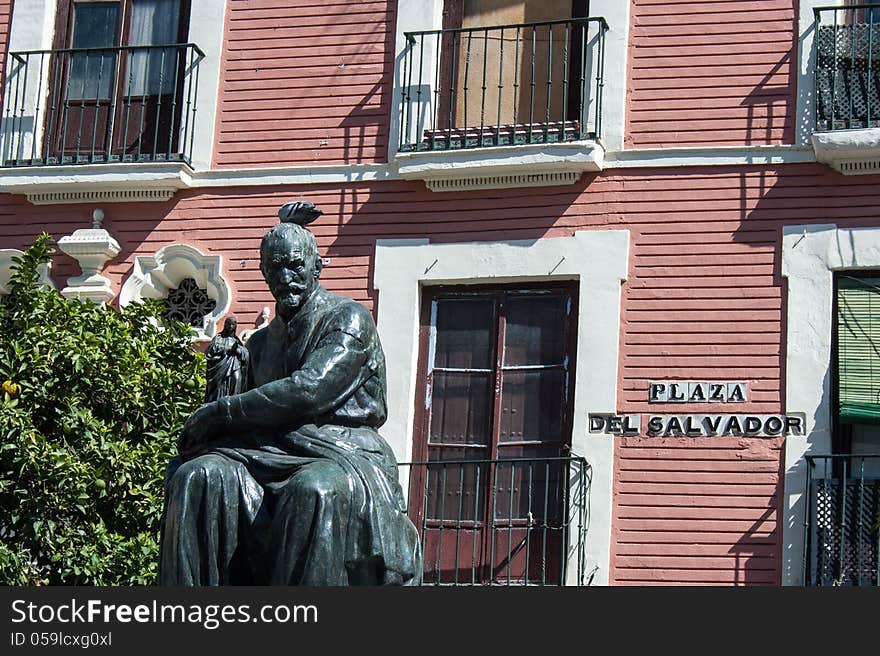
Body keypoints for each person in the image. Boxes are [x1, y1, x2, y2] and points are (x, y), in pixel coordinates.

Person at [159, 202, 422, 586]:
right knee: (199, 476)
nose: (285, 277)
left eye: (295, 265)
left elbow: (310, 389)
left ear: (316, 267)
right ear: (265, 272)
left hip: (340, 448)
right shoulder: (262, 342)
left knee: (315, 490)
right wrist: (222, 387)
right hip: (268, 450)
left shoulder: (348, 318)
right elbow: (248, 408)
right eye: (275, 268)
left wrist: (220, 413)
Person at [203, 316, 249, 402]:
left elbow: (245, 354)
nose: (230, 326)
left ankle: (233, 403)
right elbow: (211, 350)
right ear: (225, 325)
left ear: (235, 326)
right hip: (220, 366)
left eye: (232, 324)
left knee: (236, 378)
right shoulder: (219, 338)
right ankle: (218, 403)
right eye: (228, 324)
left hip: (234, 365)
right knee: (219, 386)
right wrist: (227, 348)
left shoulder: (237, 340)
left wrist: (238, 350)